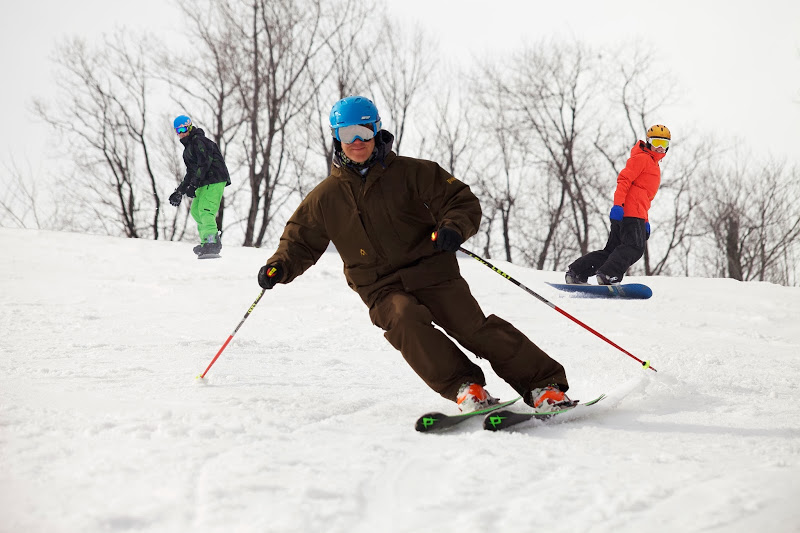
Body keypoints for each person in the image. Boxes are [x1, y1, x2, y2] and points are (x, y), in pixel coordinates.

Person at [257, 95, 571, 413]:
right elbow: (299, 242)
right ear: (336, 137)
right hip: (379, 286)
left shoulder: (411, 173)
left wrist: (452, 227)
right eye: (346, 133)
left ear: (377, 131)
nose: (356, 141)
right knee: (404, 319)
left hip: (433, 271)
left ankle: (543, 386)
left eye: (363, 132)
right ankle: (465, 387)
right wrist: (279, 266)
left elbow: (460, 201)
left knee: (471, 327)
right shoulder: (326, 197)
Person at [565, 125, 671, 285]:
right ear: (648, 142)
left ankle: (578, 272)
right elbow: (624, 181)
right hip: (630, 213)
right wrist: (618, 206)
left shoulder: (652, 164)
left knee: (612, 251)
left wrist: (646, 221)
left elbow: (645, 198)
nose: (660, 148)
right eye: (656, 142)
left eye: (664, 144)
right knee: (634, 247)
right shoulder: (642, 158)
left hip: (636, 213)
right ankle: (608, 274)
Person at [168, 115, 231, 257]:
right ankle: (206, 243)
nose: (181, 133)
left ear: (190, 127)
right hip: (204, 181)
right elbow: (191, 173)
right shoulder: (187, 150)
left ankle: (212, 243)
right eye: (178, 131)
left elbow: (205, 163)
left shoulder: (199, 142)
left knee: (205, 210)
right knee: (196, 210)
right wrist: (180, 192)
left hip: (214, 178)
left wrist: (194, 184)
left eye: (183, 129)